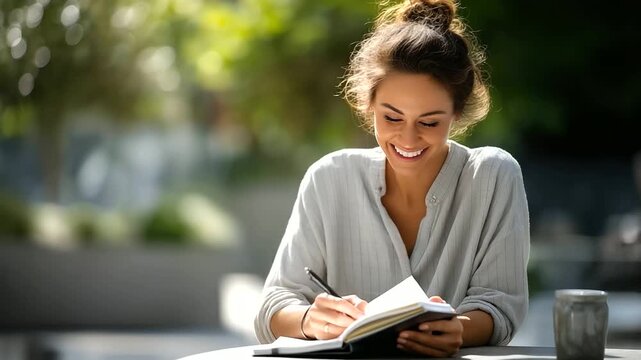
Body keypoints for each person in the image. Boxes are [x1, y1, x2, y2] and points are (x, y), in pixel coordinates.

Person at [254, 0, 530, 357]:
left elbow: (501, 305)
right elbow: (271, 308)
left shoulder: (493, 175)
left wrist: (457, 330)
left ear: (456, 113)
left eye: (429, 122)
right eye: (392, 118)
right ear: (368, 104)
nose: (409, 139)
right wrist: (309, 319)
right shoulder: (329, 179)